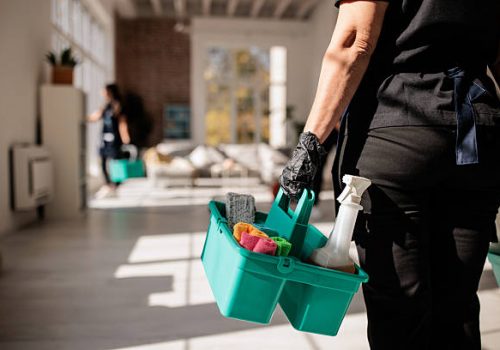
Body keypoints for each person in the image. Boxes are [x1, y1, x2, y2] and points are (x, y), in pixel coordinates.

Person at [280, 1, 500, 349]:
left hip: (396, 132)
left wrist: (310, 144)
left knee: (400, 314)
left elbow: (355, 41)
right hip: (477, 134)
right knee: (457, 307)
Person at [88, 84, 130, 199]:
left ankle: (115, 186)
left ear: (110, 92)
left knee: (116, 164)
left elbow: (122, 122)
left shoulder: (118, 105)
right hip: (104, 140)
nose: (102, 93)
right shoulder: (105, 107)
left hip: (115, 139)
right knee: (102, 163)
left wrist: (125, 136)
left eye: (104, 91)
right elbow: (95, 117)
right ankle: (108, 185)